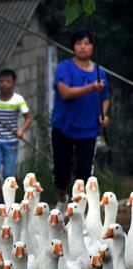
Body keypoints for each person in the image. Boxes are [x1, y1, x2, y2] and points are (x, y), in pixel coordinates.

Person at [51, 30, 109, 208]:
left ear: (92, 47)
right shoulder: (64, 67)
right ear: (73, 47)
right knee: (61, 173)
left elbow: (105, 98)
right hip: (64, 128)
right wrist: (91, 87)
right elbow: (65, 93)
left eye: (86, 43)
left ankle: (79, 208)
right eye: (78, 43)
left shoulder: (100, 72)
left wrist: (103, 114)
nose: (82, 47)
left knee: (84, 172)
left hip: (89, 130)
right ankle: (62, 199)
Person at [0, 68, 32, 183]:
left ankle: (7, 200)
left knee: (8, 174)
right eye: (1, 81)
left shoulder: (18, 99)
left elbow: (28, 118)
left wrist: (21, 131)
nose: (4, 84)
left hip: (11, 142)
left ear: (13, 83)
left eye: (7, 81)